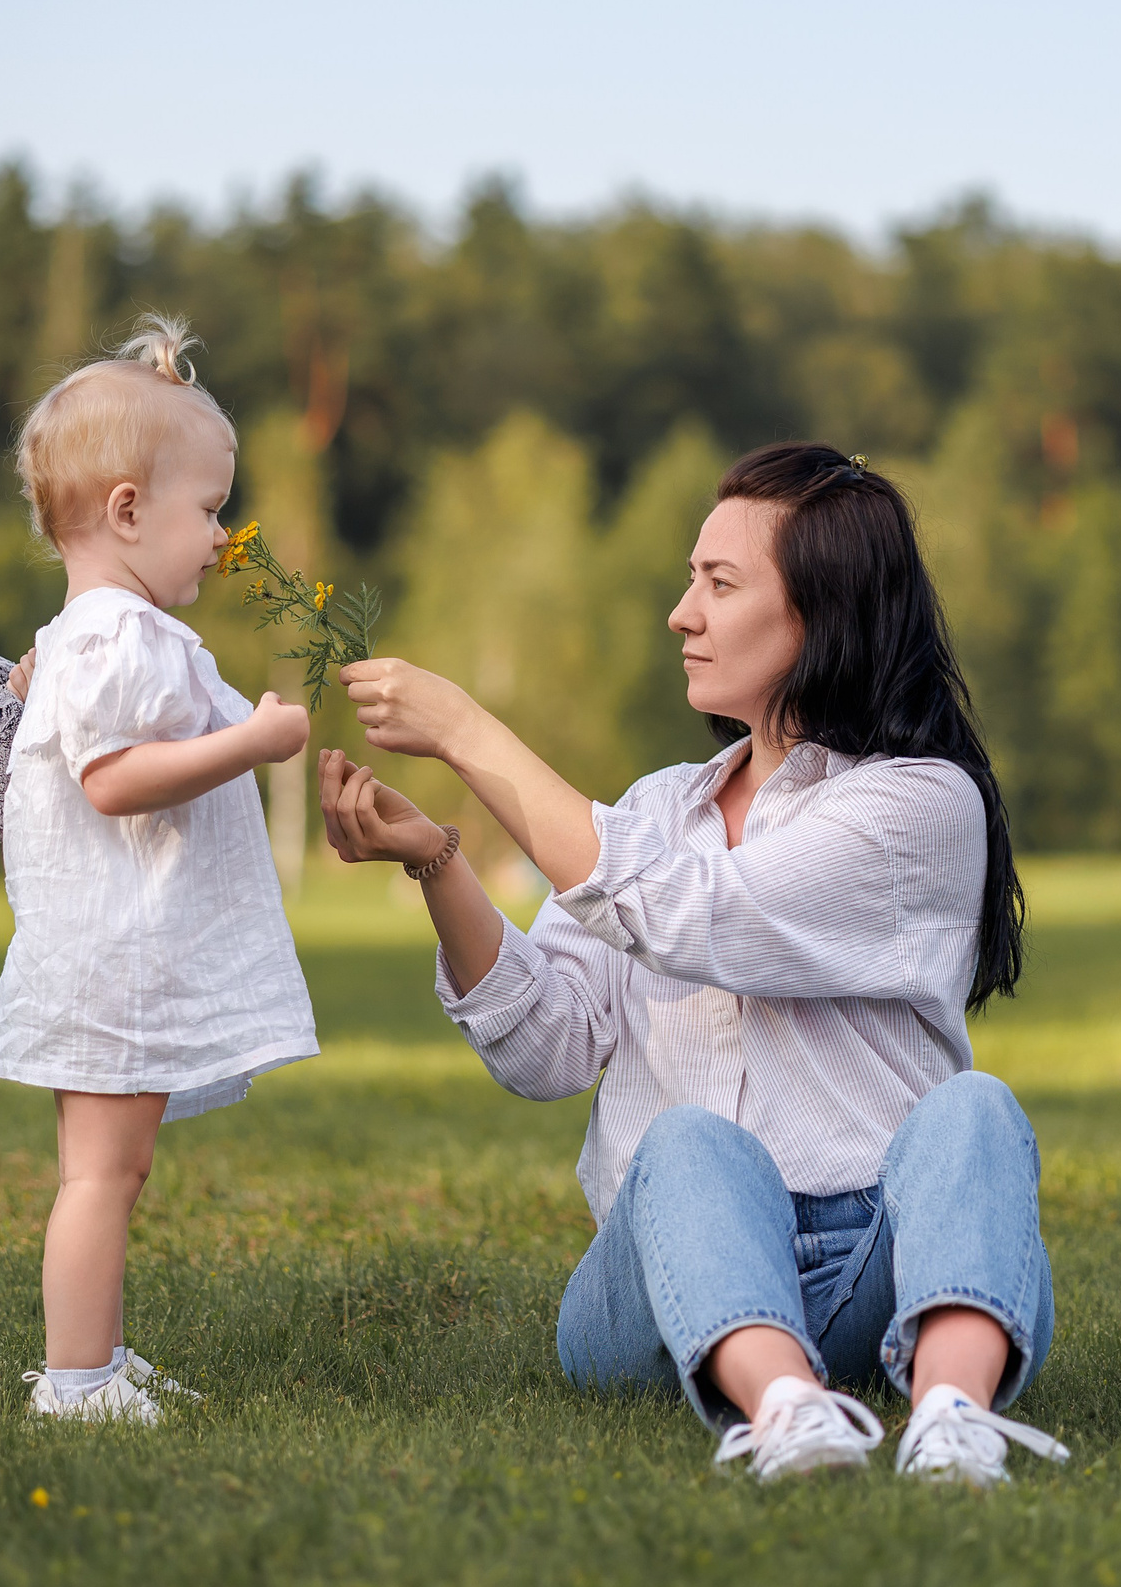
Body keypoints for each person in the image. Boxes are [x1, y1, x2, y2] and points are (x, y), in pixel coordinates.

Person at [318, 443, 1065, 1485]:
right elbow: (548, 1047)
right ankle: (786, 1408)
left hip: (871, 1262)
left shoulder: (917, 804)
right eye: (689, 578)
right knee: (686, 1145)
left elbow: (693, 910)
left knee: (976, 1109)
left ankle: (949, 1416)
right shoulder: (657, 806)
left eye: (719, 583)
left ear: (825, 612)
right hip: (667, 1267)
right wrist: (439, 861)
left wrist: (466, 733)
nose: (683, 612)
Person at [0, 315, 317, 1424]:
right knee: (99, 1176)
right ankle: (76, 1380)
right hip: (111, 956)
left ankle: (99, 1357)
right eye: (210, 510)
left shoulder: (97, 632)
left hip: (109, 950)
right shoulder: (116, 636)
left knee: (109, 1172)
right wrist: (255, 742)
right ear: (129, 510)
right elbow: (117, 778)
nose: (223, 538)